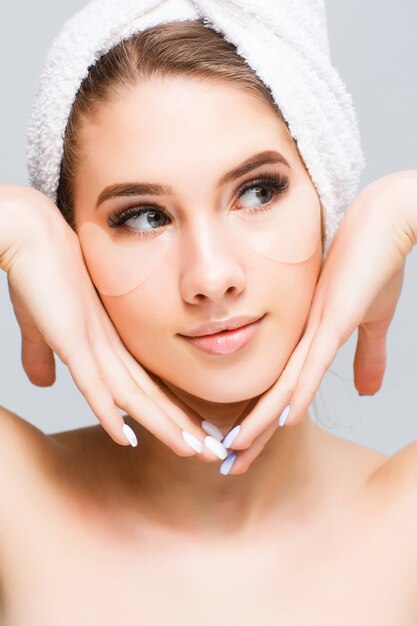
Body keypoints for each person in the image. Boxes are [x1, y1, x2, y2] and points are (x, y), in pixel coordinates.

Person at [0, 9, 417, 625]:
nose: (211, 276)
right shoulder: (16, 502)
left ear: (327, 200)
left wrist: (405, 204)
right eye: (142, 216)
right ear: (70, 254)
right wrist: (13, 222)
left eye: (258, 192)